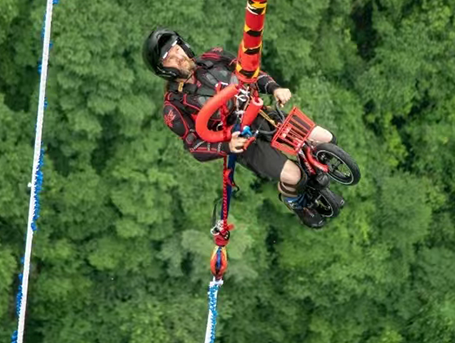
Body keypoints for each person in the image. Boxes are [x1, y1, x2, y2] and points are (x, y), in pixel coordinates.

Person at [143, 27, 338, 229]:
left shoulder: (214, 57)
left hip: (261, 115)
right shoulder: (174, 107)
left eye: (177, 48)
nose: (178, 56)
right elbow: (195, 146)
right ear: (163, 68)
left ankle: (313, 175)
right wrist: (228, 146)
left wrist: (274, 88)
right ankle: (295, 201)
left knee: (326, 139)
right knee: (294, 177)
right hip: (241, 142)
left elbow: (250, 73)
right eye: (169, 57)